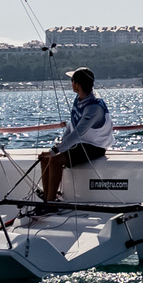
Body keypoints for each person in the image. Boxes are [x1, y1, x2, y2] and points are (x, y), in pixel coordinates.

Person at [39, 67, 114, 201]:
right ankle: (47, 198)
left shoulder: (94, 106)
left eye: (72, 80)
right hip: (81, 143)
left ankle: (50, 203)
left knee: (55, 160)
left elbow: (79, 132)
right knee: (44, 158)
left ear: (77, 84)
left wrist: (55, 151)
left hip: (95, 146)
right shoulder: (79, 98)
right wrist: (61, 144)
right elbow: (72, 125)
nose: (71, 83)